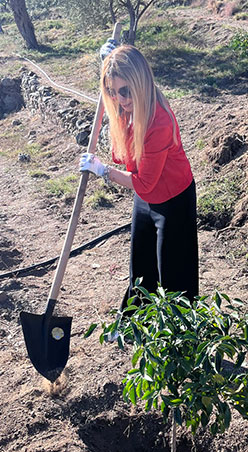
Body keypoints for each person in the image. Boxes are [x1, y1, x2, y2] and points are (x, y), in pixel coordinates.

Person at [79, 43, 198, 310]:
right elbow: (124, 158)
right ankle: (134, 324)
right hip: (145, 198)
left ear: (140, 83)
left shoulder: (159, 122)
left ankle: (181, 342)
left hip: (174, 200)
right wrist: (108, 62)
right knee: (140, 267)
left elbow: (144, 183)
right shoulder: (127, 109)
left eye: (125, 90)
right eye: (112, 91)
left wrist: (102, 171)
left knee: (174, 277)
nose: (120, 99)